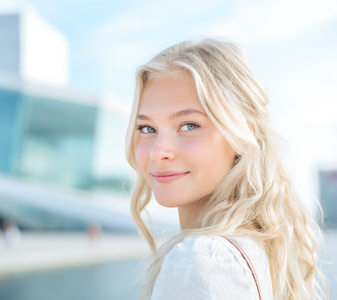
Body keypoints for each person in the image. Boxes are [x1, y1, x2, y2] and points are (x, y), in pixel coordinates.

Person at [125, 38, 328, 299]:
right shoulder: (255, 248)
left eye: (189, 126)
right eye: (147, 129)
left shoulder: (202, 263)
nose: (158, 151)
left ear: (243, 136)